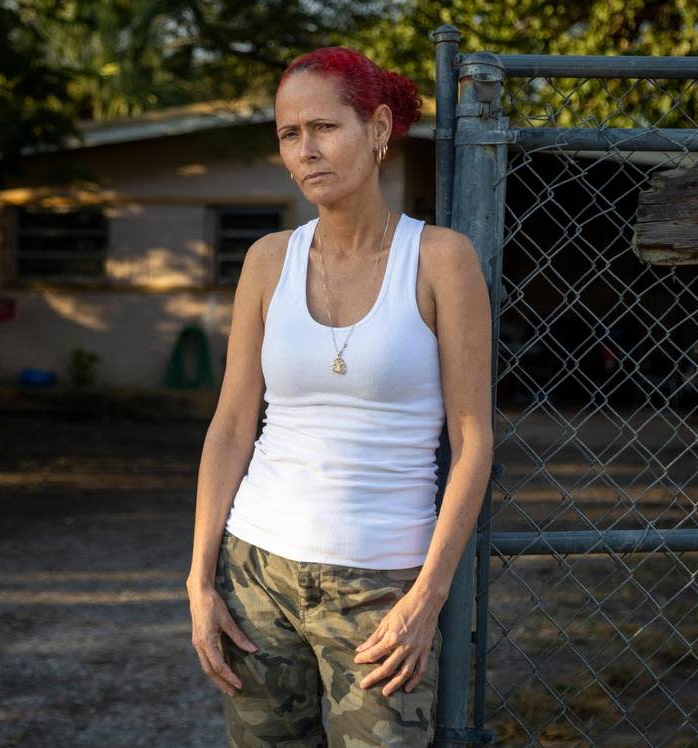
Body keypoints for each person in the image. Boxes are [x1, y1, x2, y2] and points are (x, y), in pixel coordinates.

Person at [186, 46, 494, 748]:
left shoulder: (442, 259)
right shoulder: (268, 260)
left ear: (378, 128)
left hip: (380, 586)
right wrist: (200, 579)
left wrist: (428, 598)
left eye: (324, 128)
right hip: (255, 574)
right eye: (289, 135)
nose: (305, 151)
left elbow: (474, 439)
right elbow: (232, 427)